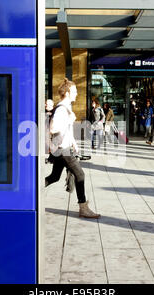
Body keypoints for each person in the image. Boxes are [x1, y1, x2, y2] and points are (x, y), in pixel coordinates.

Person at [45, 78, 100, 218]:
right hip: (63, 150)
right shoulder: (62, 109)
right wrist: (69, 120)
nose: (77, 94)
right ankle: (84, 208)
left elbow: (66, 130)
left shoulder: (65, 107)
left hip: (63, 147)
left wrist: (74, 143)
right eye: (75, 91)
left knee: (54, 177)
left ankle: (31, 192)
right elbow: (53, 128)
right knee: (80, 174)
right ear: (68, 92)